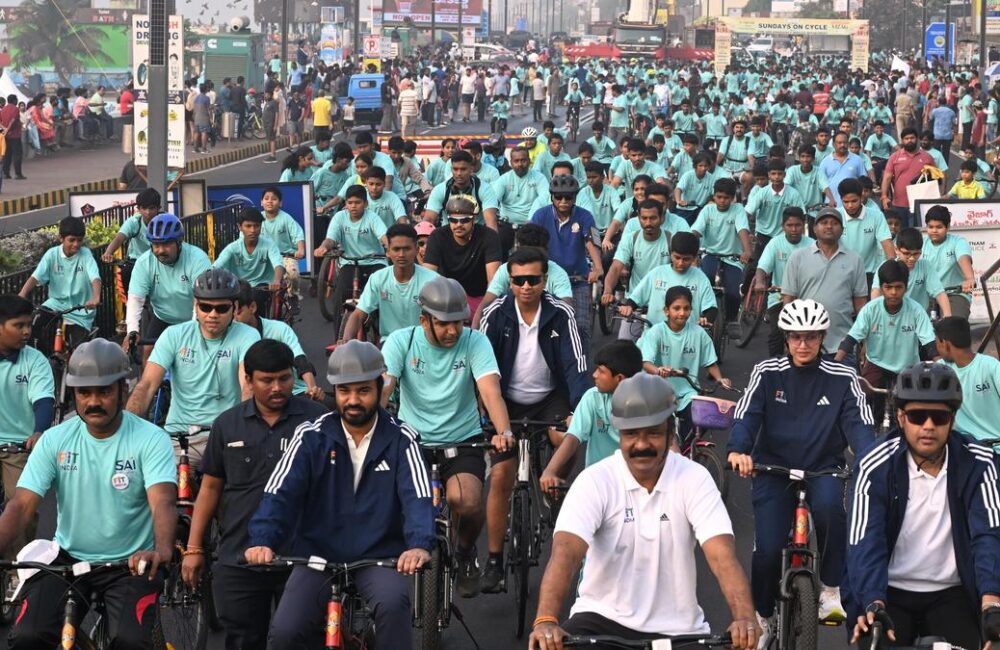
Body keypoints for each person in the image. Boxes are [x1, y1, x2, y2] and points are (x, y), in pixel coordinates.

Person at [528, 372, 760, 650]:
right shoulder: (595, 481)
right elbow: (565, 552)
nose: (641, 444)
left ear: (670, 432)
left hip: (679, 629)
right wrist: (545, 620)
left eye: (652, 433)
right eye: (631, 434)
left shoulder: (694, 479)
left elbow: (722, 557)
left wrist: (744, 617)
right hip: (600, 619)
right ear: (619, 434)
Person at [245, 340, 434, 648]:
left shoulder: (403, 439)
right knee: (284, 632)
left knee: (393, 607)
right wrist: (262, 540)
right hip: (317, 556)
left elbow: (419, 497)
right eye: (345, 391)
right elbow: (279, 492)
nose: (353, 400)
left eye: (363, 390)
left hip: (379, 557)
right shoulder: (310, 436)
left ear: (379, 386)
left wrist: (419, 545)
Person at [0, 339, 176, 649]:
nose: (94, 401)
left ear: (124, 389)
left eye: (104, 391)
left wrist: (161, 550)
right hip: (68, 560)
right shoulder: (55, 439)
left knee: (131, 642)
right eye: (84, 392)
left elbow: (162, 500)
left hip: (130, 565)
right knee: (27, 637)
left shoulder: (151, 439)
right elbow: (22, 505)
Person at [727, 299, 876, 641]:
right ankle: (763, 616)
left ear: (823, 337)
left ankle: (830, 589)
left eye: (811, 337)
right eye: (796, 337)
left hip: (823, 468)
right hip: (771, 468)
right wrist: (738, 450)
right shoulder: (767, 372)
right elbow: (747, 416)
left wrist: (870, 458)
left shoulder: (843, 376)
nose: (803, 345)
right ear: (786, 337)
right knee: (765, 551)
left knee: (830, 513)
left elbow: (859, 424)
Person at [180, 338, 327, 648]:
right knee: (244, 640)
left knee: (301, 639)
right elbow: (209, 489)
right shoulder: (227, 425)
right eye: (267, 380)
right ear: (248, 379)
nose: (277, 387)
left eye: (285, 378)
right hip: (239, 559)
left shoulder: (317, 421)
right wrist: (194, 549)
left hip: (303, 559)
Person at [844, 362, 1000, 649]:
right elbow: (865, 540)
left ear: (952, 420)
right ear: (901, 418)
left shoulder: (980, 463)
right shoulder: (873, 465)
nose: (928, 426)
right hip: (887, 592)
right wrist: (873, 601)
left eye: (939, 417)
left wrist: (991, 602)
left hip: (952, 593)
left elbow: (989, 535)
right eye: (917, 416)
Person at [380, 277, 512, 597]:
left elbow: (490, 390)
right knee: (387, 510)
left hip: (462, 439)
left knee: (465, 502)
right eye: (443, 324)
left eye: (459, 323)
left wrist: (503, 431)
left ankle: (466, 552)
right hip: (412, 442)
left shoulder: (475, 341)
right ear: (424, 319)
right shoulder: (402, 341)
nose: (453, 331)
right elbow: (384, 387)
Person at [478, 247, 591, 593]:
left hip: (549, 399)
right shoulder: (494, 316)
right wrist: (492, 420)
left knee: (565, 439)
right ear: (509, 282)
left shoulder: (562, 315)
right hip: (506, 402)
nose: (526, 286)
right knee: (500, 475)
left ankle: (554, 490)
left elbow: (577, 367)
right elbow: (481, 371)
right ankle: (495, 561)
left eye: (534, 279)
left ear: (545, 280)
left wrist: (576, 410)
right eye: (518, 280)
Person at [127, 268, 259, 455]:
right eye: (205, 307)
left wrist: (244, 430)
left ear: (235, 307)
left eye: (222, 308)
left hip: (226, 436)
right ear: (195, 305)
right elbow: (147, 385)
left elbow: (247, 386)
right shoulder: (174, 335)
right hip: (178, 437)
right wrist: (127, 427)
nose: (213, 314)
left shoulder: (248, 335)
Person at [837, 260, 937, 421]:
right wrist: (835, 362)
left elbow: (930, 343)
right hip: (876, 363)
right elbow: (851, 338)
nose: (893, 293)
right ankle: (865, 433)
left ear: (906, 287)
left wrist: (941, 364)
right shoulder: (870, 309)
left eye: (898, 287)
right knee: (862, 396)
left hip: (907, 367)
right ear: (881, 287)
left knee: (912, 409)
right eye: (888, 287)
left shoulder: (916, 310)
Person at [539, 340, 642, 490]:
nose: (594, 375)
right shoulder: (592, 397)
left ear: (619, 378)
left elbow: (669, 444)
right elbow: (572, 438)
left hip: (635, 482)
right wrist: (550, 471)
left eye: (601, 371)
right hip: (597, 482)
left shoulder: (646, 403)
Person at [638, 286, 731, 437]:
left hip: (688, 392)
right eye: (677, 308)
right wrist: (658, 370)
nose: (682, 313)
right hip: (659, 392)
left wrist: (720, 379)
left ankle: (686, 453)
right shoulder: (656, 332)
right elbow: (645, 362)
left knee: (702, 422)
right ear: (666, 310)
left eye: (686, 308)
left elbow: (710, 363)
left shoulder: (699, 333)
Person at [124, 213, 212, 362]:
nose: (160, 250)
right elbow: (135, 300)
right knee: (148, 352)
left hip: (193, 318)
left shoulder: (198, 259)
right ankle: (147, 385)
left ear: (179, 242)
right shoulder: (144, 263)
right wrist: (132, 331)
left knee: (192, 357)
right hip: (163, 317)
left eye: (166, 244)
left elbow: (201, 300)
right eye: (156, 245)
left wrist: (192, 331)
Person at [781, 207, 868, 353]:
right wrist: (788, 336)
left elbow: (860, 303)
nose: (829, 226)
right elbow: (788, 299)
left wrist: (864, 340)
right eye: (824, 222)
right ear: (814, 228)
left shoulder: (855, 259)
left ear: (842, 229)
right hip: (805, 345)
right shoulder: (798, 257)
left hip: (843, 345)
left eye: (834, 223)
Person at [530, 175, 604, 347]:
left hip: (577, 280)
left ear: (575, 197)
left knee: (580, 327)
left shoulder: (585, 216)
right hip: (548, 281)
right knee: (543, 327)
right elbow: (531, 245)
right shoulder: (540, 216)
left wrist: (598, 268)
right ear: (551, 197)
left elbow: (591, 241)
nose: (563, 200)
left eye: (569, 197)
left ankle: (582, 366)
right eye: (558, 196)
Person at [19, 217, 101, 353]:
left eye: (79, 240)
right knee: (33, 324)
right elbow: (36, 276)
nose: (76, 244)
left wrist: (95, 297)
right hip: (56, 303)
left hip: (80, 309)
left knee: (78, 351)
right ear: (61, 238)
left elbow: (95, 278)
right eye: (72, 240)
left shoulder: (86, 255)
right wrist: (22, 293)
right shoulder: (52, 255)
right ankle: (44, 360)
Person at [345, 223, 437, 340]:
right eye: (396, 249)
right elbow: (358, 314)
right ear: (388, 252)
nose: (401, 254)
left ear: (416, 250)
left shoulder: (432, 280)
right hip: (389, 342)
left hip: (423, 342)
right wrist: (345, 340)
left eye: (407, 249)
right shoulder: (378, 278)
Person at [423, 196, 502, 315]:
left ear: (474, 219)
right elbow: (427, 277)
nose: (458, 224)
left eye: (464, 220)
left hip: (480, 298)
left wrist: (481, 312)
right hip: (447, 297)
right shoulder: (437, 236)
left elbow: (493, 283)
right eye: (453, 220)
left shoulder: (489, 237)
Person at [691, 177, 751, 334]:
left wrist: (746, 251)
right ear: (714, 195)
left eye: (726, 198)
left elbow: (742, 230)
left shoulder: (738, 210)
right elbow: (696, 231)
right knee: (704, 283)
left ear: (732, 198)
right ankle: (702, 314)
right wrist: (690, 244)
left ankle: (731, 319)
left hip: (733, 257)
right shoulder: (707, 210)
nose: (722, 201)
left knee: (732, 292)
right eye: (719, 197)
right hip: (710, 254)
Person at [754, 208, 814, 357]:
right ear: (783, 226)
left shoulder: (812, 245)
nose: (794, 229)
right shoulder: (775, 243)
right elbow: (762, 267)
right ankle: (775, 368)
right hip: (778, 297)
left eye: (798, 225)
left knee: (811, 335)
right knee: (777, 334)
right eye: (789, 225)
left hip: (806, 298)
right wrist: (760, 282)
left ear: (804, 225)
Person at [933, 316, 1000, 443]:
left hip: (994, 447)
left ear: (945, 344)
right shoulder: (940, 368)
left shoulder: (990, 367)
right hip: (962, 448)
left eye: (937, 343)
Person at [213, 207, 286, 317]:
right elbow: (217, 265)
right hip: (238, 286)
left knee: (256, 300)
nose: (252, 230)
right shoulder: (232, 248)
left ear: (261, 226)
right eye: (248, 226)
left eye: (256, 226)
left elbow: (278, 265)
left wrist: (276, 280)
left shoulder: (269, 245)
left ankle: (259, 326)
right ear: (240, 227)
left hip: (262, 286)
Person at [872, 227, 951, 318]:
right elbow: (876, 292)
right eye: (906, 253)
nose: (912, 258)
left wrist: (948, 316)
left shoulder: (925, 266)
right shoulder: (885, 267)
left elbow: (939, 293)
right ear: (896, 249)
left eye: (916, 254)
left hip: (919, 318)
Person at [922, 205, 976, 321]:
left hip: (954, 294)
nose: (934, 231)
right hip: (927, 295)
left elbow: (963, 258)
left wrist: (969, 279)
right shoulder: (921, 243)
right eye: (930, 227)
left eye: (939, 227)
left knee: (953, 326)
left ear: (948, 227)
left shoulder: (958, 242)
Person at [422, 150, 500, 230]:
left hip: (477, 233)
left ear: (471, 169)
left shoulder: (485, 189)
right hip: (448, 232)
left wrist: (492, 240)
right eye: (455, 169)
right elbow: (429, 219)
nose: (459, 173)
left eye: (463, 169)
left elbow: (491, 222)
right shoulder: (439, 190)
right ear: (451, 169)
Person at [880, 127, 935, 228]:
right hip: (899, 204)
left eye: (912, 138)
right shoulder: (895, 157)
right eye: (906, 138)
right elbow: (887, 178)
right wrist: (884, 197)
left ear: (917, 139)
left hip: (920, 204)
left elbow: (935, 179)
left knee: (919, 233)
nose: (909, 140)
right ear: (902, 141)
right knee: (901, 234)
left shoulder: (927, 157)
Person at [260, 186, 305, 304]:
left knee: (293, 274)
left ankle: (293, 296)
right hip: (264, 257)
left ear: (280, 203)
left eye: (274, 199)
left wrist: (300, 249)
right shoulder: (257, 219)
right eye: (266, 198)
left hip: (285, 255)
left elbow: (298, 234)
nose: (269, 201)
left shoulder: (286, 218)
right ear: (261, 202)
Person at [102, 188, 161, 268]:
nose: (148, 212)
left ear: (158, 208)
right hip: (136, 262)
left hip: (159, 262)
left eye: (151, 208)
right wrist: (108, 253)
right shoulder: (134, 222)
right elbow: (119, 238)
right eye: (144, 208)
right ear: (139, 209)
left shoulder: (166, 222)